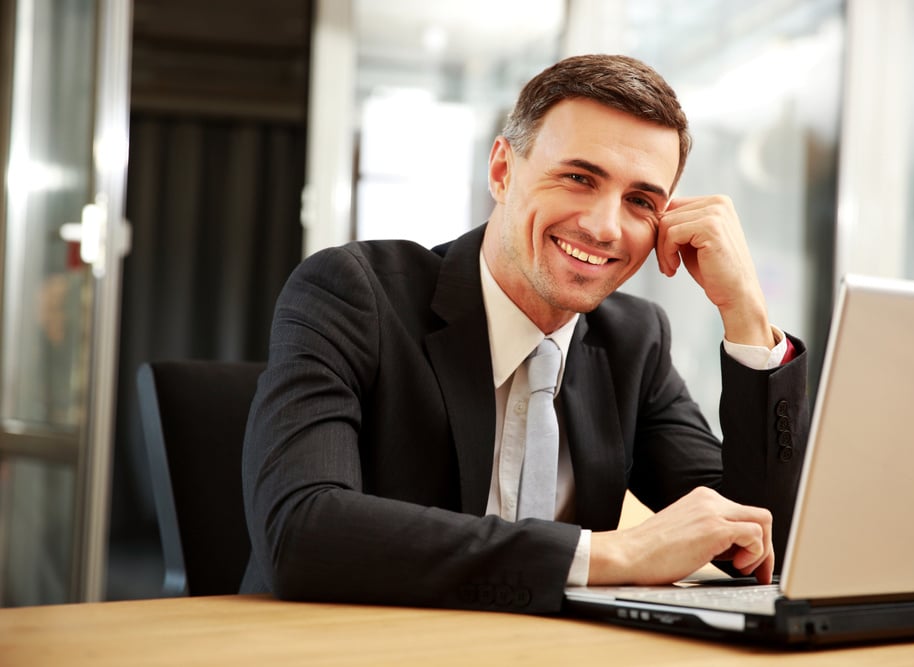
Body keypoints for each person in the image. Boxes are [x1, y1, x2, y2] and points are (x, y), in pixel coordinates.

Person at [240, 54, 809, 614]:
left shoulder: (635, 339)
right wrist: (608, 555)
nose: (605, 227)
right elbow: (302, 529)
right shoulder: (353, 294)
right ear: (502, 171)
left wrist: (746, 314)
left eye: (640, 201)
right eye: (579, 178)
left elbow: (756, 540)